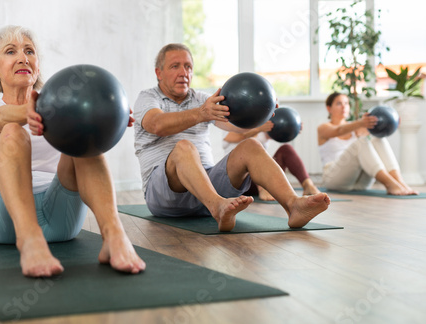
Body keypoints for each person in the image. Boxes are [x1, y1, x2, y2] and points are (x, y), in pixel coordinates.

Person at [0, 25, 146, 277]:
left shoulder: (59, 112)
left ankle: (114, 236)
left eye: (29, 51)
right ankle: (29, 240)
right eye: (10, 51)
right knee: (11, 132)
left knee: (85, 135)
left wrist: (104, 116)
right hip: (1, 223)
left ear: (37, 66)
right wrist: (33, 112)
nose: (22, 57)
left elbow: (93, 119)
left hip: (60, 218)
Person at [133, 43, 330, 232]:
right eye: (175, 66)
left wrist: (260, 112)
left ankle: (293, 205)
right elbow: (157, 124)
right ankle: (217, 206)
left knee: (251, 145)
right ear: (159, 73)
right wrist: (201, 113)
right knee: (184, 147)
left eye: (188, 67)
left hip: (207, 186)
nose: (183, 72)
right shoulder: (148, 97)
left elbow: (234, 123)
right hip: (164, 195)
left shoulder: (202, 99)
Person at [317, 92, 418, 195]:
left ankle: (400, 182)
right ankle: (390, 184)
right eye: (339, 103)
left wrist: (393, 122)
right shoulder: (323, 128)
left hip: (359, 183)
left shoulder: (357, 128)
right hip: (334, 179)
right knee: (361, 142)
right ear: (329, 108)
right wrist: (361, 122)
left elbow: (379, 129)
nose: (344, 106)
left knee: (378, 139)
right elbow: (339, 130)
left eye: (346, 103)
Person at [223, 121, 320, 201]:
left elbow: (279, 131)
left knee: (286, 149)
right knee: (253, 149)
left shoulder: (263, 128)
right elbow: (239, 137)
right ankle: (263, 188)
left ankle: (308, 185)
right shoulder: (234, 125)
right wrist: (258, 128)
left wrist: (293, 127)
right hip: (240, 182)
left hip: (260, 179)